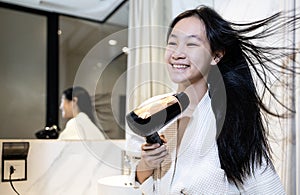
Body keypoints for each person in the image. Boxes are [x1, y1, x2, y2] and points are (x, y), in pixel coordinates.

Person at [127, 5, 299, 194]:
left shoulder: (232, 119)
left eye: (191, 44)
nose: (177, 53)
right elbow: (138, 182)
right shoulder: (152, 109)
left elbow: (269, 190)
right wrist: (147, 164)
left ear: (215, 56)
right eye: (172, 43)